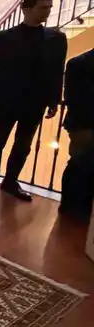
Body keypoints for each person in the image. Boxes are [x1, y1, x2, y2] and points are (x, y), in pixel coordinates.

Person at [0, 0, 67, 202]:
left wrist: (54, 99)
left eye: (49, 7)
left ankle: (10, 181)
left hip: (35, 101)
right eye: (42, 7)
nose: (47, 11)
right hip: (5, 99)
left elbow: (57, 70)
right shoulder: (4, 37)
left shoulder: (57, 39)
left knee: (23, 145)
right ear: (26, 9)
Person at [60, 48, 94, 219]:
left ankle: (79, 209)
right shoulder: (77, 64)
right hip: (83, 124)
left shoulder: (78, 63)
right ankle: (72, 209)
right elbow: (74, 100)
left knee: (81, 166)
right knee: (79, 165)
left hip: (82, 123)